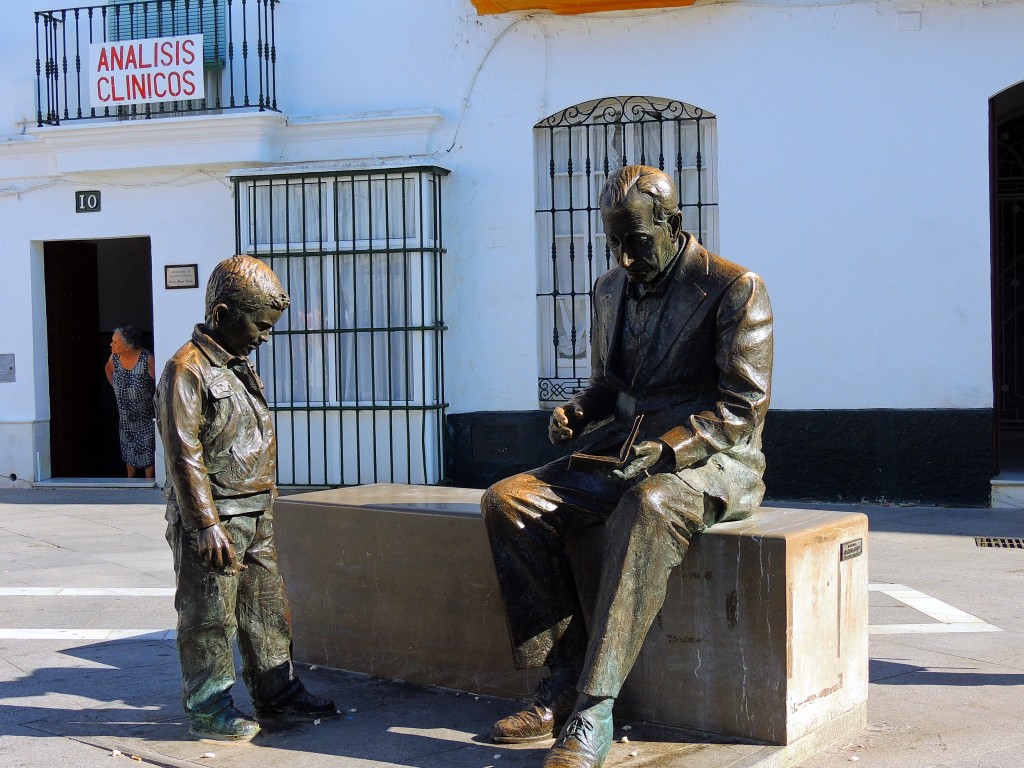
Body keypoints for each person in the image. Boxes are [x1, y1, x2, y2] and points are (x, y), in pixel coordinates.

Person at [481, 165, 773, 768]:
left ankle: (593, 707)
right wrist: (579, 411)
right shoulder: (610, 287)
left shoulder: (734, 287)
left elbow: (743, 406)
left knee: (652, 504)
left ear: (673, 224)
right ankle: (561, 679)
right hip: (621, 446)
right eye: (613, 241)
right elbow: (610, 384)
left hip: (713, 459)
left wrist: (670, 450)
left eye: (637, 241)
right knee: (507, 499)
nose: (624, 257)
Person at [155, 255, 334, 741]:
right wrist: (205, 523)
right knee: (209, 618)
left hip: (255, 511)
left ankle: (278, 695)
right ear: (221, 314)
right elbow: (182, 452)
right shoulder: (185, 369)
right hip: (216, 518)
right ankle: (209, 705)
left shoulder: (237, 366)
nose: (264, 336)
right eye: (259, 325)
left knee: (267, 612)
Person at [104, 324, 156, 479]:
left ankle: (149, 481)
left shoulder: (147, 359)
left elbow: (158, 382)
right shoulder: (114, 359)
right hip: (125, 417)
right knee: (128, 448)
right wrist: (116, 388)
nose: (111, 345)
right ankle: (130, 480)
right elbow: (108, 370)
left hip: (145, 417)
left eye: (115, 342)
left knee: (147, 449)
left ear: (127, 347)